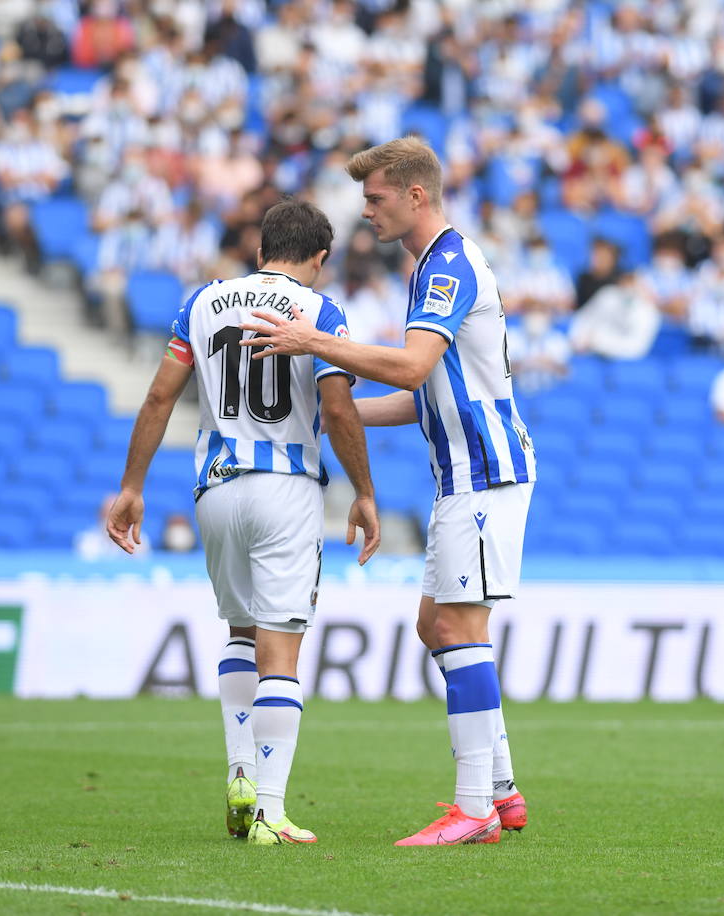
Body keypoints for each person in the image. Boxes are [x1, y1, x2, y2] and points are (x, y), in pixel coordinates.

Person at [242, 137, 536, 847]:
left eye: (374, 197)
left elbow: (408, 368)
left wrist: (314, 343)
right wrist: (329, 416)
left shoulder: (445, 268)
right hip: (464, 476)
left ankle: (474, 809)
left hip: (483, 476)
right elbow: (421, 397)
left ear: (415, 195)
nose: (364, 211)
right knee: (435, 625)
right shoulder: (436, 267)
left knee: (460, 630)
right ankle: (500, 789)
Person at [106, 198, 381, 847]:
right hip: (285, 489)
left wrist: (131, 487)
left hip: (217, 488)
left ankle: (238, 773)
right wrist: (365, 491)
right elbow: (340, 413)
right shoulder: (322, 312)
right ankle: (271, 810)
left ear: (260, 250)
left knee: (239, 631)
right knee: (280, 651)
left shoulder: (202, 302)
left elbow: (158, 397)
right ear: (320, 259)